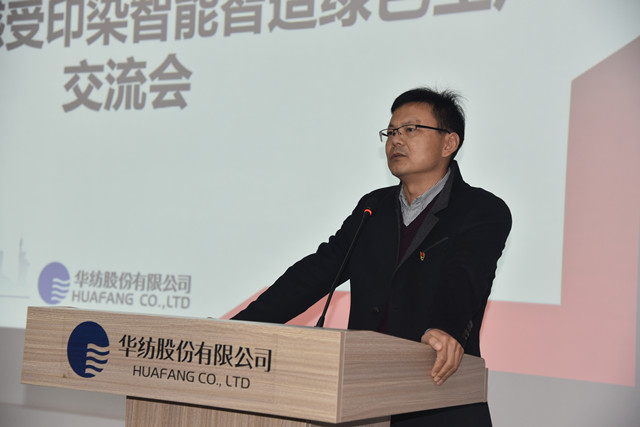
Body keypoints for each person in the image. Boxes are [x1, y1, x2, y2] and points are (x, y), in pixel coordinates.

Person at [232, 87, 512, 426]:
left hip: (438, 395)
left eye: (410, 129)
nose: (396, 140)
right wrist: (240, 328)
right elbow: (318, 271)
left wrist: (444, 328)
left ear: (449, 143)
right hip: (364, 399)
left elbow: (465, 275)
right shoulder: (373, 207)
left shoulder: (482, 210)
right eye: (391, 132)